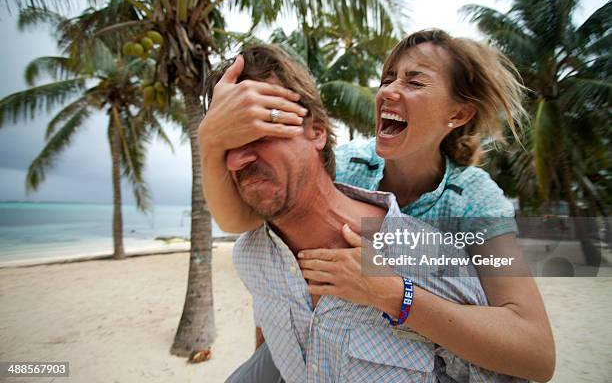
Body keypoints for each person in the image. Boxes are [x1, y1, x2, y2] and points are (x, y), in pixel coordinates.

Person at [198, 31, 555, 382]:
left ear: (458, 114)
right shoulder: (351, 163)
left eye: (414, 82)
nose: (388, 91)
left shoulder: (473, 198)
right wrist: (212, 137)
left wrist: (392, 292)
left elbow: (535, 353)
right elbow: (248, 217)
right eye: (387, 78)